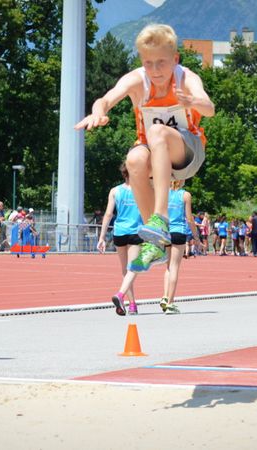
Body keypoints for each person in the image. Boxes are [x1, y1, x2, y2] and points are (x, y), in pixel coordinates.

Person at [76, 23, 214, 272]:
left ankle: (160, 219)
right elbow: (106, 98)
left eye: (161, 62)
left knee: (157, 132)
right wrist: (97, 112)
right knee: (134, 160)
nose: (155, 70)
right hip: (154, 154)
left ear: (175, 58)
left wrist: (192, 100)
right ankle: (156, 241)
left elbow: (209, 108)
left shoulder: (186, 78)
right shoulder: (136, 80)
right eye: (148, 63)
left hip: (188, 151)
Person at [98, 164, 144, 316]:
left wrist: (102, 237)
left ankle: (132, 305)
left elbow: (108, 214)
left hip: (119, 232)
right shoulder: (142, 190)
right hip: (135, 232)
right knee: (134, 269)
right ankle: (120, 295)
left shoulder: (115, 191)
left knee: (125, 270)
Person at [160, 180, 199, 314]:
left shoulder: (163, 193)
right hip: (178, 231)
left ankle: (165, 296)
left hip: (166, 231)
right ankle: (170, 303)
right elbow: (189, 219)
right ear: (181, 179)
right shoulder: (185, 195)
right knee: (175, 266)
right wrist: (196, 237)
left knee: (168, 266)